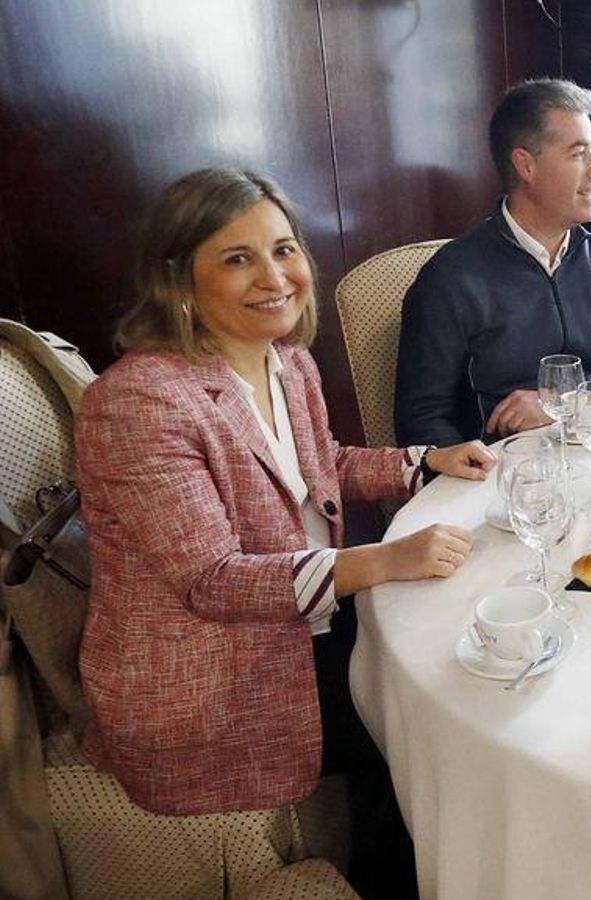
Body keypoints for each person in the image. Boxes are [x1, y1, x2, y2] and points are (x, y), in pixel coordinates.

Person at [74, 168, 496, 899]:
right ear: (179, 278)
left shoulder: (284, 360)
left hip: (306, 626)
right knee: (434, 721)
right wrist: (385, 560)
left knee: (462, 658)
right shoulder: (140, 402)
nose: (274, 277)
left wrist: (422, 463)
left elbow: (321, 465)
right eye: (236, 259)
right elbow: (214, 580)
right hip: (216, 682)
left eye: (282, 250)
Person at [395, 78, 591, 446]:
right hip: (507, 482)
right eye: (578, 153)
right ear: (526, 165)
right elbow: (420, 424)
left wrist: (568, 403)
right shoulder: (450, 278)